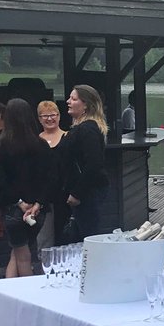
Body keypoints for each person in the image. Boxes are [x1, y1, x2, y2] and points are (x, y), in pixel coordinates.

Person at [0, 99, 56, 279]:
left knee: (22, 255)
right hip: (38, 210)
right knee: (21, 249)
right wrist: (38, 203)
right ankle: (8, 290)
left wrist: (19, 203)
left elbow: (1, 181)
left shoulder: (0, 146)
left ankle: (25, 294)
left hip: (14, 207)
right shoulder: (41, 145)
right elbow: (50, 177)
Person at [62, 85, 109, 242]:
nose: (68, 101)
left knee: (89, 238)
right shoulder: (82, 128)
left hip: (88, 194)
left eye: (74, 99)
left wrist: (77, 193)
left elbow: (94, 164)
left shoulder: (88, 129)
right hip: (85, 192)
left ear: (86, 105)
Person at [35, 100, 68, 252]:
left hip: (64, 195)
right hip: (43, 196)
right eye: (45, 116)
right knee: (44, 237)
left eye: (53, 115)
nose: (49, 119)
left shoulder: (68, 137)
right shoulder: (35, 140)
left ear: (59, 116)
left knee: (64, 232)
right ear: (39, 119)